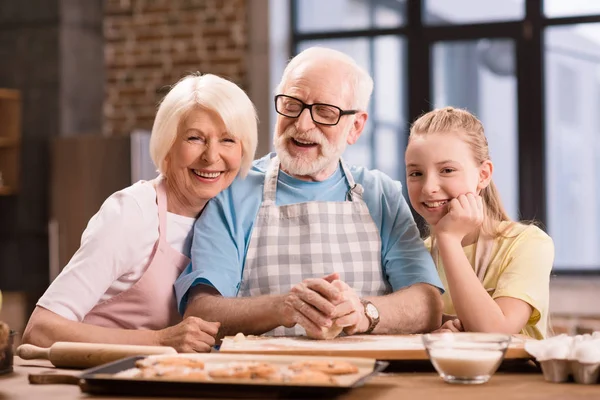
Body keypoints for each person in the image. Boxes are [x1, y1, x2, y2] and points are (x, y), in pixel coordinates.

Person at [175, 47, 444, 340]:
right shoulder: (232, 192)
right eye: (292, 106)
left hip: (371, 372)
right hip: (263, 375)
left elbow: (428, 304)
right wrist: (284, 307)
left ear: (355, 126)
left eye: (324, 112)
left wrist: (364, 312)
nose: (302, 126)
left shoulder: (381, 194)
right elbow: (201, 311)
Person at [22, 73, 258, 352]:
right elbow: (40, 329)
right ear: (168, 144)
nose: (211, 156)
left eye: (228, 140)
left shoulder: (231, 220)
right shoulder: (132, 213)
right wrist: (159, 341)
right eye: (195, 138)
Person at [404, 107, 554, 339]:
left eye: (447, 170)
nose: (428, 187)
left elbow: (495, 332)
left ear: (483, 175)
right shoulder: (415, 255)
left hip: (515, 376)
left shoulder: (529, 244)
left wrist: (449, 239)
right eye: (416, 173)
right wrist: (438, 329)